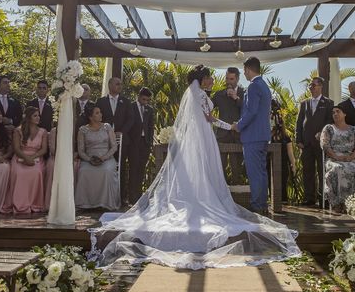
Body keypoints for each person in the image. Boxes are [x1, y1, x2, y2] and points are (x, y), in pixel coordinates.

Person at [88, 63, 300, 270]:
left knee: (203, 172)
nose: (211, 80)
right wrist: (230, 125)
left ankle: (201, 198)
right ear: (201, 79)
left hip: (202, 137)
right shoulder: (199, 95)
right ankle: (201, 201)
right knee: (203, 171)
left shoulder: (197, 94)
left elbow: (209, 119)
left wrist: (230, 125)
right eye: (208, 77)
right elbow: (209, 119)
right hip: (202, 139)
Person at [232, 57, 272, 214]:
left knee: (255, 173)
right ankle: (262, 205)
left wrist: (238, 125)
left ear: (248, 69)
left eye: (244, 70)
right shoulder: (264, 85)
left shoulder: (253, 86)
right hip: (262, 136)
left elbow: (251, 111)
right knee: (262, 172)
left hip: (252, 137)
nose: (244, 73)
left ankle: (256, 207)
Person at [95, 77, 134, 204]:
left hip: (122, 140)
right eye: (117, 84)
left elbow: (130, 119)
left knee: (121, 168)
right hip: (104, 141)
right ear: (110, 85)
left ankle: (121, 198)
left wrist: (121, 131)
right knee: (105, 168)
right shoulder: (100, 101)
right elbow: (97, 119)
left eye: (121, 84)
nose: (120, 86)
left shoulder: (126, 102)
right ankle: (104, 197)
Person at [295, 76, 333, 206]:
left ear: (320, 86)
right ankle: (309, 198)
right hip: (306, 143)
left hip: (321, 143)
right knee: (307, 171)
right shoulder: (304, 103)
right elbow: (299, 122)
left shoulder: (328, 103)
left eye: (314, 85)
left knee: (322, 171)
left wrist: (322, 134)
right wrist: (298, 139)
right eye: (310, 85)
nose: (311, 87)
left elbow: (329, 121)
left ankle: (324, 199)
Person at [2, 107, 47, 213]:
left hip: (36, 157)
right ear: (28, 117)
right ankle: (19, 203)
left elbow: (44, 149)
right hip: (20, 157)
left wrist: (33, 157)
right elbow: (16, 148)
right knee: (19, 172)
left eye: (38, 115)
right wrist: (26, 158)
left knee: (37, 172)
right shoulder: (18, 130)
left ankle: (35, 203)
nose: (38, 118)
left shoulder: (43, 131)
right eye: (35, 116)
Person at [75, 104, 119, 210]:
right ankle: (85, 204)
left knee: (106, 171)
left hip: (107, 158)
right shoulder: (83, 130)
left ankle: (105, 203)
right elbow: (81, 150)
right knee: (83, 171)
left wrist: (103, 158)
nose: (100, 115)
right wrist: (89, 159)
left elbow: (114, 147)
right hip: (89, 159)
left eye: (100, 112)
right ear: (90, 117)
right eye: (97, 113)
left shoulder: (107, 127)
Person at [320, 106, 355, 213]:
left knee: (353, 169)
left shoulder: (353, 129)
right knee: (337, 168)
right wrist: (337, 157)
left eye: (338, 111)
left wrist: (351, 157)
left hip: (350, 159)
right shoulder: (329, 128)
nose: (335, 114)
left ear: (345, 114)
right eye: (333, 112)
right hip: (333, 158)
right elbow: (325, 146)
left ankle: (350, 202)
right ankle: (336, 203)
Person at [212, 67, 245, 184]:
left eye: (231, 79)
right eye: (227, 78)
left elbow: (248, 111)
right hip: (222, 135)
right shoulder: (219, 95)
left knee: (237, 169)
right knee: (220, 167)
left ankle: (237, 194)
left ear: (237, 79)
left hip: (238, 136)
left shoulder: (244, 93)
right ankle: (222, 192)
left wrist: (236, 98)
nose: (229, 81)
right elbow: (207, 109)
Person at [127, 87, 155, 204]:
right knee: (133, 169)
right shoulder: (131, 107)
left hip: (145, 143)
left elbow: (151, 126)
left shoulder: (149, 110)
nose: (145, 102)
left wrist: (150, 143)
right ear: (139, 96)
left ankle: (139, 197)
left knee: (141, 169)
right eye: (144, 99)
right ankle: (131, 197)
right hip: (134, 143)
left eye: (147, 100)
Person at [45, 124, 80, 210]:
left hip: (71, 157)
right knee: (53, 166)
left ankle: (71, 201)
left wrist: (74, 155)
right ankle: (53, 201)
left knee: (75, 166)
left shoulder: (77, 130)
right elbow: (53, 150)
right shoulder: (54, 131)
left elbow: (79, 148)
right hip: (56, 157)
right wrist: (64, 156)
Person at [270, 98, 297, 203]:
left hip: (283, 165)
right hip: (270, 165)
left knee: (282, 183)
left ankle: (284, 201)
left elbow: (290, 152)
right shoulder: (267, 137)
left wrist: (293, 165)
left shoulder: (286, 138)